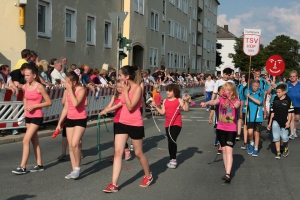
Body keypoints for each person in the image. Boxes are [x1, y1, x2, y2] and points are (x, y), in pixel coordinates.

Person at [103, 65, 152, 193]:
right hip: (122, 123)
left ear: (127, 76)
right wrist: (107, 109)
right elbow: (121, 103)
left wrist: (125, 91)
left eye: (120, 75)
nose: (118, 77)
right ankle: (114, 184)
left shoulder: (136, 88)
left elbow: (130, 107)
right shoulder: (123, 87)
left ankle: (148, 175)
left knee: (138, 153)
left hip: (135, 124)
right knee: (118, 152)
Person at [12, 65, 52, 174]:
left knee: (25, 140)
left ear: (34, 76)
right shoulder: (25, 86)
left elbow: (49, 102)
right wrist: (25, 110)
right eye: (25, 75)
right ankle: (39, 164)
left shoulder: (39, 87)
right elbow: (25, 97)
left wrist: (35, 106)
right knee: (34, 141)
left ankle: (22, 166)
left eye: (28, 75)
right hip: (28, 116)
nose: (26, 77)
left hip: (37, 116)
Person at [201, 82, 240, 183]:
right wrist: (206, 103)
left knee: (229, 150)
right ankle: (226, 170)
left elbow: (237, 104)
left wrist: (234, 105)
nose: (223, 92)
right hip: (221, 128)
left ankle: (228, 173)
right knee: (224, 150)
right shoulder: (221, 99)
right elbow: (214, 102)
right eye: (222, 90)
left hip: (231, 129)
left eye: (225, 90)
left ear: (231, 92)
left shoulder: (236, 100)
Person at [56, 69, 87, 179]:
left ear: (74, 82)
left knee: (75, 143)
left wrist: (70, 90)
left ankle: (78, 168)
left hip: (80, 119)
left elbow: (75, 103)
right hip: (70, 119)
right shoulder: (67, 91)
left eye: (67, 81)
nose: (65, 83)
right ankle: (74, 170)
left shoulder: (81, 90)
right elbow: (66, 108)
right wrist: (59, 123)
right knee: (70, 146)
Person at [152, 84, 189, 169]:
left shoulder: (178, 100)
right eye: (167, 90)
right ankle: (171, 158)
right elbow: (162, 112)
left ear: (174, 91)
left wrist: (186, 101)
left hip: (177, 123)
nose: (167, 92)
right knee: (169, 141)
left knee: (172, 139)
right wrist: (155, 107)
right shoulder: (165, 101)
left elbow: (186, 110)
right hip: (168, 124)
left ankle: (174, 160)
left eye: (170, 90)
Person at [100, 80, 131, 162]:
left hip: (124, 119)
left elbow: (117, 106)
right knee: (116, 139)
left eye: (121, 87)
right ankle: (116, 156)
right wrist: (103, 111)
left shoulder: (126, 96)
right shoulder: (114, 96)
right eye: (117, 87)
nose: (119, 89)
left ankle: (126, 148)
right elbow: (109, 105)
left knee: (122, 139)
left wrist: (107, 110)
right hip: (117, 119)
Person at [267, 84, 294, 159]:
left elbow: (290, 113)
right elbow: (272, 112)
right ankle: (278, 152)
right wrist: (269, 123)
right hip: (276, 120)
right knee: (276, 137)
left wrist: (288, 122)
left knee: (285, 137)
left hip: (284, 121)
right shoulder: (275, 99)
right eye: (276, 92)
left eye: (279, 92)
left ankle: (285, 146)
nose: (277, 94)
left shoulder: (288, 100)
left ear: (284, 92)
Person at [245, 80, 264, 157]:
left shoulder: (261, 93)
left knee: (256, 133)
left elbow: (259, 102)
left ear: (258, 86)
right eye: (253, 86)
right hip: (250, 116)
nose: (255, 87)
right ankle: (251, 143)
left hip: (258, 117)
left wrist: (250, 97)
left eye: (256, 86)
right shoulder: (248, 92)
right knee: (250, 133)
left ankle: (256, 148)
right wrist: (246, 103)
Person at [287, 70, 300, 138]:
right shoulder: (287, 84)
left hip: (298, 104)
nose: (292, 77)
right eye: (291, 76)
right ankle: (291, 133)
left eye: (293, 76)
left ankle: (294, 129)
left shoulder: (299, 84)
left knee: (297, 118)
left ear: (296, 77)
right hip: (290, 104)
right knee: (291, 118)